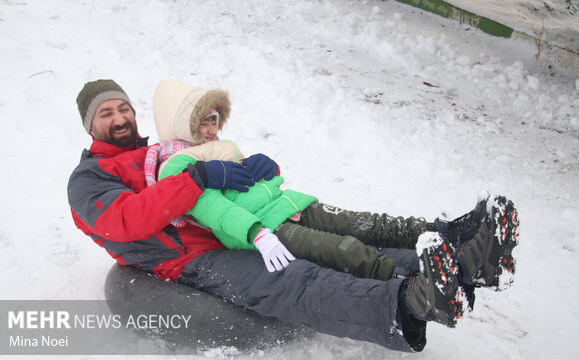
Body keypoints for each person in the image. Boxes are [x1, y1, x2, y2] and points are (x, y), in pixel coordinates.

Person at [68, 79, 519, 353]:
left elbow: (216, 173)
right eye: (107, 113)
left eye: (123, 108)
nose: (120, 117)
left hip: (233, 231)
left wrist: (250, 170)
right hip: (190, 258)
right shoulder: (90, 177)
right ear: (91, 126)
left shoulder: (158, 151)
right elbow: (122, 221)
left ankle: (464, 264)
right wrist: (198, 177)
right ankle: (410, 305)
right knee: (297, 279)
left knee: (352, 242)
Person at [145, 79, 422, 281]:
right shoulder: (175, 165)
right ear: (183, 124)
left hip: (289, 204)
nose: (210, 129)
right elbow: (213, 208)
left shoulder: (224, 147)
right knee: (340, 250)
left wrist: (267, 167)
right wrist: (257, 232)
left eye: (214, 121)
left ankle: (434, 232)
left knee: (359, 222)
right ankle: (409, 283)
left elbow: (252, 185)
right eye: (201, 122)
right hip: (265, 226)